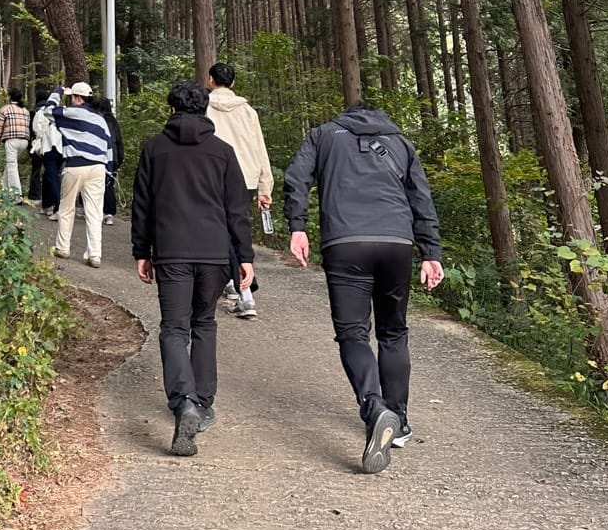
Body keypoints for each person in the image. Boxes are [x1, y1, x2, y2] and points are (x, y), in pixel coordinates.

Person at [284, 100, 444, 475]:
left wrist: (297, 226)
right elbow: (421, 197)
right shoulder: (400, 142)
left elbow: (296, 179)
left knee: (353, 333)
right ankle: (398, 420)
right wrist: (431, 252)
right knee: (394, 332)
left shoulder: (323, 135)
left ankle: (374, 406)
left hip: (345, 242)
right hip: (396, 243)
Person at [131, 80, 254, 457]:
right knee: (204, 323)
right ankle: (202, 401)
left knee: (173, 328)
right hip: (214, 253)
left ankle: (183, 401)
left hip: (171, 252)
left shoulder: (155, 148)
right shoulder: (222, 152)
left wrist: (142, 251)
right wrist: (245, 257)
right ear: (205, 110)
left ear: (171, 109)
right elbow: (237, 210)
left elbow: (142, 205)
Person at [207, 62, 274, 320]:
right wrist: (265, 186)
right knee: (236, 231)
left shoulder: (203, 106)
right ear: (233, 83)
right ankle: (236, 287)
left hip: (213, 177)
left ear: (210, 80)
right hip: (245, 177)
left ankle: (243, 292)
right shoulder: (247, 111)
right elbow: (260, 148)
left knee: (220, 232)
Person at [46, 82, 111, 267]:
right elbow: (108, 147)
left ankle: (63, 247)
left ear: (76, 98)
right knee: (95, 212)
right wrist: (109, 169)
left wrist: (58, 92)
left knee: (67, 208)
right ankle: (95, 254)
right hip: (98, 167)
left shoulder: (72, 112)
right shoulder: (101, 119)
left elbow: (48, 111)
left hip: (75, 164)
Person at [0, 89, 31, 203]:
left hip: (12, 140)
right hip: (24, 141)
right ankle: (3, 188)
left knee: (12, 165)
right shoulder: (25, 111)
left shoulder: (5, 109)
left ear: (10, 97)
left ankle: (16, 195)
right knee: (11, 164)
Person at [32, 87, 63, 218]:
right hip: (61, 147)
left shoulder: (41, 112)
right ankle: (46, 204)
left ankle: (57, 207)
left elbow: (36, 129)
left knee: (52, 176)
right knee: (50, 175)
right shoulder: (61, 112)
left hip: (48, 147)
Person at [97, 95, 125, 224]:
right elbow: (119, 141)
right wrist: (119, 159)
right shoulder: (113, 121)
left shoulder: (97, 120)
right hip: (112, 157)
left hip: (99, 156)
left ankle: (98, 211)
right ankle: (109, 213)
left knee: (96, 185)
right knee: (109, 184)